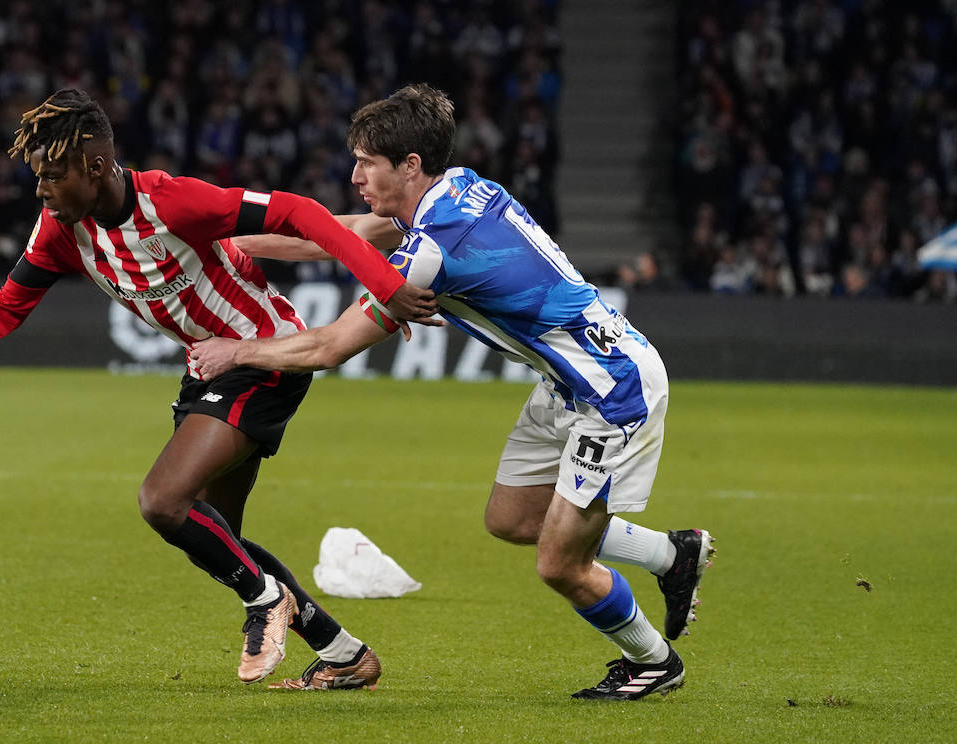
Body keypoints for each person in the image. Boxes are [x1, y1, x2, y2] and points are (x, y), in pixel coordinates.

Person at [0, 88, 440, 690]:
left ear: (95, 166)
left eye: (53, 175)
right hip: (208, 368)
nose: (41, 190)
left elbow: (302, 214)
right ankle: (344, 654)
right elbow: (9, 303)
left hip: (264, 357)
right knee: (218, 538)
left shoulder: (173, 202)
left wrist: (385, 285)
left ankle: (266, 603)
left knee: (163, 501)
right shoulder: (60, 229)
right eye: (38, 176)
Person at [190, 84, 715, 700]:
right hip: (567, 381)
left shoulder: (433, 248)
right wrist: (224, 240)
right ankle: (670, 555)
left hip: (611, 390)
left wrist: (238, 350)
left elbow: (328, 346)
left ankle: (653, 663)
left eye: (367, 162)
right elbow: (337, 233)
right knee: (512, 518)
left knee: (559, 563)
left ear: (409, 165)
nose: (354, 174)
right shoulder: (457, 187)